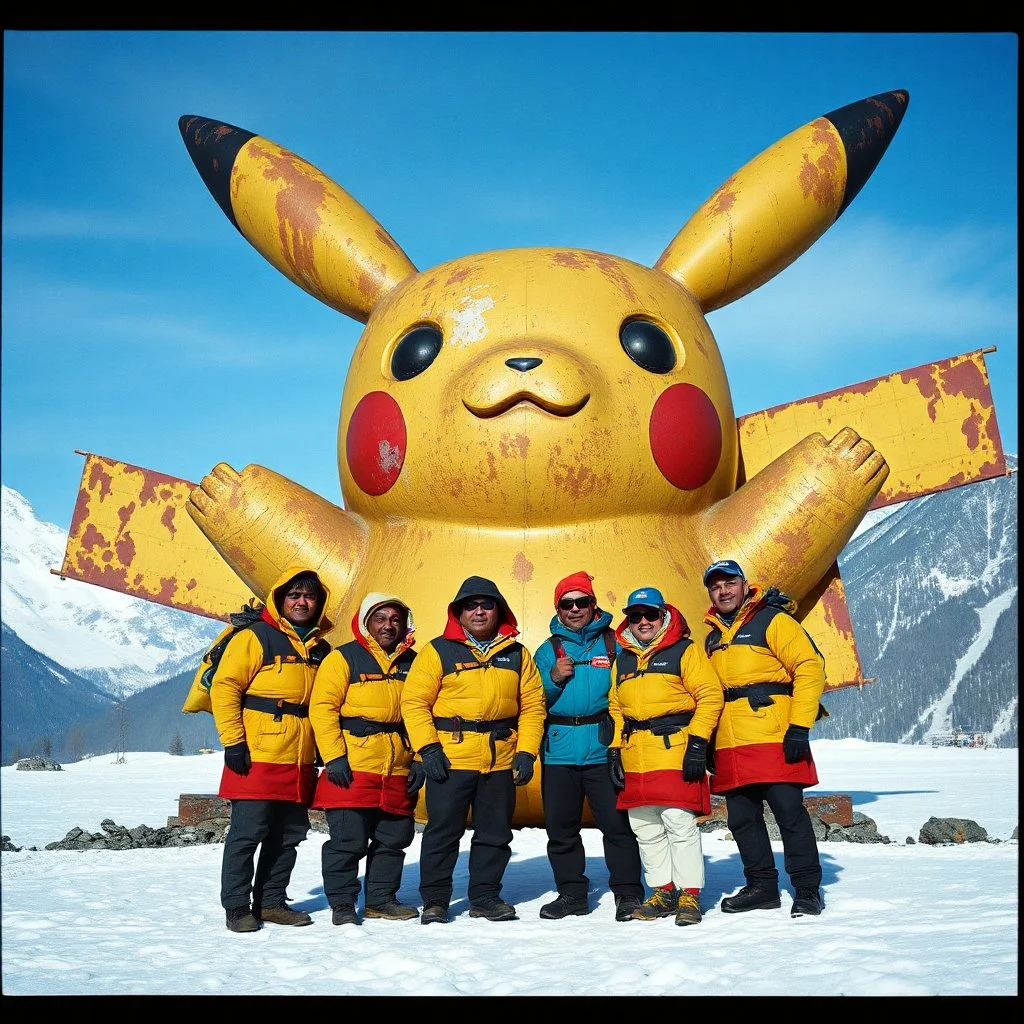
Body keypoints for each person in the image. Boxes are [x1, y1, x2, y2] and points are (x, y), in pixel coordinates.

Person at [401, 575, 546, 924]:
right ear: (458, 612)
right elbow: (414, 702)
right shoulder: (437, 651)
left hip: (499, 760)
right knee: (442, 832)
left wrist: (526, 751)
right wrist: (428, 749)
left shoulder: (516, 654)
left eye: (486, 605)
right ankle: (436, 899)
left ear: (498, 611)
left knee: (494, 834)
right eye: (471, 605)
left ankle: (485, 896)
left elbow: (533, 706)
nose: (479, 611)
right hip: (450, 758)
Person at [701, 559, 827, 917]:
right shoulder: (712, 637)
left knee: (789, 814)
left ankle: (806, 889)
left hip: (775, 735)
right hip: (731, 742)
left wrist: (800, 726)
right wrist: (709, 742)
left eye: (729, 584)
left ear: (744, 585)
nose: (723, 591)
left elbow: (808, 667)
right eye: (715, 586)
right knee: (741, 820)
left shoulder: (773, 620)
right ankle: (762, 887)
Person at [211, 566, 332, 933]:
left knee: (289, 834)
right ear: (280, 599)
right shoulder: (256, 637)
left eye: (308, 595)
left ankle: (271, 902)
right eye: (294, 595)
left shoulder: (319, 648)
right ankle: (236, 908)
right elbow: (225, 687)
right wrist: (233, 741)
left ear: (318, 602)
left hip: (299, 758)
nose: (301, 601)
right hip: (256, 753)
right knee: (247, 834)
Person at [606, 586, 724, 926]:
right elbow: (616, 707)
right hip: (635, 752)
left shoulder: (683, 651)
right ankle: (662, 891)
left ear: (664, 616)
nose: (643, 622)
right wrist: (614, 748)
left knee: (679, 823)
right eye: (635, 616)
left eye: (650, 615)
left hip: (674, 747)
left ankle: (689, 895)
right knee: (644, 827)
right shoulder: (623, 658)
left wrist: (698, 742)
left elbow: (710, 696)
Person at [533, 571, 645, 922]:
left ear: (594, 604)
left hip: (603, 746)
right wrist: (552, 680)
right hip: (560, 749)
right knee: (561, 829)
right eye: (568, 604)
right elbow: (533, 701)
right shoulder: (547, 650)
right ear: (558, 609)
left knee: (616, 826)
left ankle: (628, 894)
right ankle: (572, 895)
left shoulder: (615, 643)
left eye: (582, 602)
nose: (575, 609)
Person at [310, 592, 423, 926]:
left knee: (394, 838)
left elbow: (425, 711)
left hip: (399, 765)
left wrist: (418, 757)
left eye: (395, 619)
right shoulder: (343, 659)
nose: (388, 625)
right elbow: (323, 708)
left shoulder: (414, 663)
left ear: (405, 624)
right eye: (380, 618)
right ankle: (343, 904)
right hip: (352, 763)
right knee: (348, 840)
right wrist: (333, 756)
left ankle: (381, 900)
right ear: (365, 622)